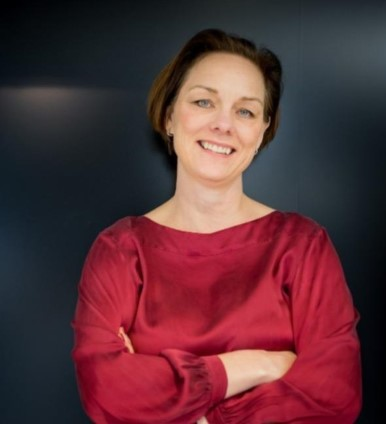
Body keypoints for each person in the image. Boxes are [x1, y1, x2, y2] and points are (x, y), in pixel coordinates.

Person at [71, 28, 362, 423]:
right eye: (204, 102)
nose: (224, 124)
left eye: (245, 111)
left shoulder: (303, 245)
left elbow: (335, 395)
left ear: (261, 131)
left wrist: (185, 407)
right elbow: (104, 390)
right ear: (170, 116)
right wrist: (260, 365)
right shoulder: (120, 250)